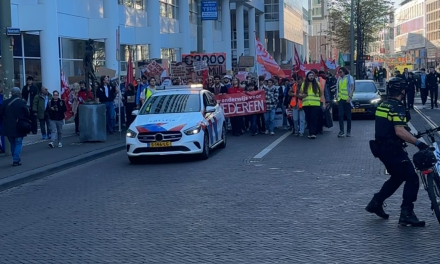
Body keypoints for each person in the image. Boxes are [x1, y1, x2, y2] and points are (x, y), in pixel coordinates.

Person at [366, 77, 428, 227]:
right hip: (392, 149)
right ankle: (406, 213)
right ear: (402, 91)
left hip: (381, 148)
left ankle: (376, 203)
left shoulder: (383, 104)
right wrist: (418, 143)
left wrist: (410, 135)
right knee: (412, 178)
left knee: (398, 176)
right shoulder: (397, 107)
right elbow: (399, 131)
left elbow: (389, 125)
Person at [0, 87, 30, 166]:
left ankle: (15, 158)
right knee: (18, 143)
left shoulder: (5, 102)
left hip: (8, 126)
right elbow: (27, 114)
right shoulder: (21, 102)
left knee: (12, 143)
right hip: (19, 126)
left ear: (12, 93)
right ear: (19, 93)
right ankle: (16, 160)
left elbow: (1, 114)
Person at [298, 71, 325, 139]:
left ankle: (313, 133)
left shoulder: (318, 84)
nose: (311, 77)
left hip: (315, 104)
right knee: (309, 119)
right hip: (306, 104)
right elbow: (300, 95)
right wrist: (302, 95)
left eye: (312, 76)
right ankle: (311, 133)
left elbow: (321, 94)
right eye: (310, 76)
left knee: (313, 118)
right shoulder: (304, 84)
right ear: (307, 77)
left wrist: (324, 103)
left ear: (314, 77)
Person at [335, 67, 355, 137]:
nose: (339, 73)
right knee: (340, 115)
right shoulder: (339, 79)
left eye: (340, 72)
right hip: (340, 99)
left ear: (344, 72)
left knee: (348, 116)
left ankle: (348, 131)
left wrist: (349, 97)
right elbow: (337, 89)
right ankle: (341, 131)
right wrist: (337, 98)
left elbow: (352, 87)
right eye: (339, 72)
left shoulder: (349, 78)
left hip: (347, 100)